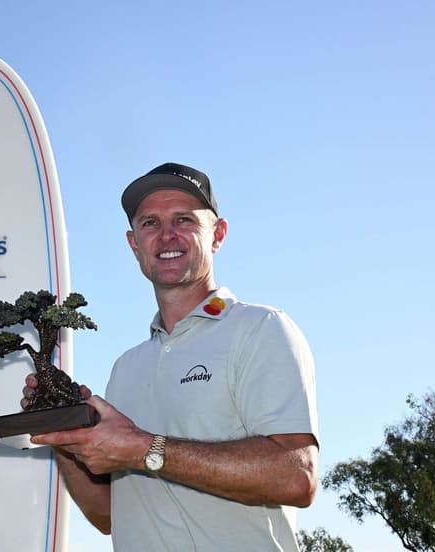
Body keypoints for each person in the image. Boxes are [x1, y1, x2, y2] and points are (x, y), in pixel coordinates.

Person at [26, 162, 319, 551]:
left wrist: (144, 448)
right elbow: (109, 516)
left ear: (218, 235)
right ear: (134, 244)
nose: (166, 235)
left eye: (184, 220)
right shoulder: (126, 366)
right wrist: (64, 437)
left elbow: (296, 477)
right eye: (150, 223)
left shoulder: (259, 328)